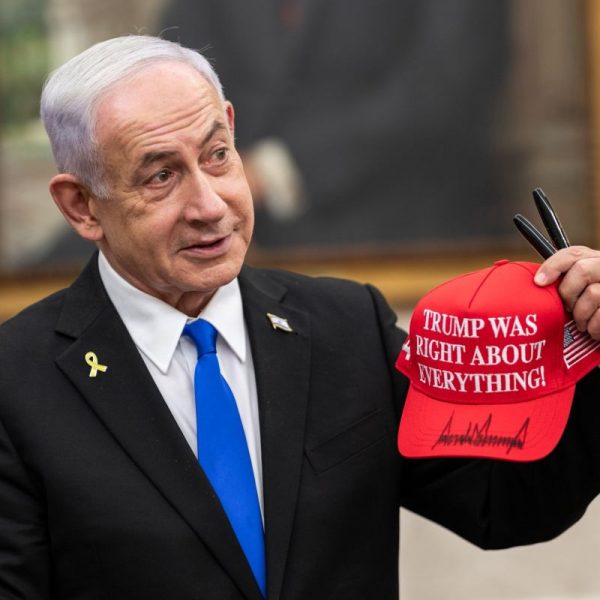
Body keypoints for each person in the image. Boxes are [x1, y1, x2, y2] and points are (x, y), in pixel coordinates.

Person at [1, 35, 600, 599]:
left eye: (217, 156)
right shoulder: (16, 385)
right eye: (161, 176)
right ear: (81, 206)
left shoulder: (348, 328)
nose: (210, 206)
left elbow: (508, 507)